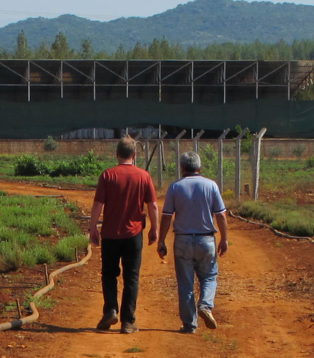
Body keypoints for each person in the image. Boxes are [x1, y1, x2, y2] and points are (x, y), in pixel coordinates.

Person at [89, 137, 159, 334]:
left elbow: (97, 205)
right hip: (134, 234)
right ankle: (128, 321)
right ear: (134, 155)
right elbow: (152, 205)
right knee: (132, 277)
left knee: (109, 274)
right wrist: (154, 228)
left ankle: (111, 309)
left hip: (110, 234)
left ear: (117, 154)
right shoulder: (144, 176)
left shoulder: (107, 175)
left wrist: (92, 228)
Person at [157, 150, 228, 333]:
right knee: (209, 277)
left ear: (182, 168)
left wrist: (162, 240)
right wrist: (224, 239)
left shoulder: (175, 187)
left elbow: (166, 216)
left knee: (185, 283)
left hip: (183, 240)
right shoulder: (211, 185)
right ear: (200, 167)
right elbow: (220, 215)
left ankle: (189, 324)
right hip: (206, 239)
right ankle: (205, 305)